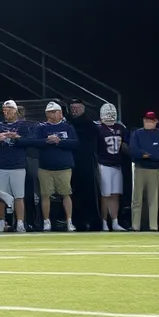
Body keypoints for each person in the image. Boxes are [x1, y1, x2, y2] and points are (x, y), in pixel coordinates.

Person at [19, 101, 79, 232]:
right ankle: (46, 221)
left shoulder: (67, 127)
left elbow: (75, 143)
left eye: (54, 112)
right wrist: (47, 141)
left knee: (66, 193)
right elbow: (34, 142)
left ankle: (69, 221)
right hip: (45, 167)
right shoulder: (41, 127)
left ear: (60, 113)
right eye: (49, 112)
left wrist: (59, 141)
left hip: (64, 166)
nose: (52, 114)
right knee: (45, 195)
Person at [0, 99, 30, 232]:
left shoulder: (23, 126)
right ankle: (0, 221)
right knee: (0, 196)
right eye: (4, 110)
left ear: (15, 110)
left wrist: (16, 137)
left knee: (19, 196)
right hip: (1, 165)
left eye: (9, 109)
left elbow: (28, 142)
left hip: (18, 165)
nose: (6, 112)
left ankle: (20, 223)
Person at [65, 97, 101, 231]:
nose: (74, 110)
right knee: (74, 192)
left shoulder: (89, 124)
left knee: (89, 191)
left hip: (86, 161)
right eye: (72, 108)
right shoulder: (68, 123)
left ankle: (93, 222)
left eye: (77, 108)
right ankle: (77, 221)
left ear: (82, 108)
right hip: (72, 162)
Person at [94, 103, 130, 231]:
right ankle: (104, 222)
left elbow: (126, 145)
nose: (109, 115)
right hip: (104, 164)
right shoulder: (98, 128)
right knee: (105, 194)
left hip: (117, 164)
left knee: (115, 194)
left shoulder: (120, 128)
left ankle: (115, 222)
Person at [129, 111, 159, 232]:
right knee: (137, 198)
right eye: (146, 120)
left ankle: (153, 226)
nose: (147, 123)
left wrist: (148, 155)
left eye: (150, 121)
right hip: (140, 168)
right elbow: (134, 150)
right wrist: (145, 154)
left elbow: (157, 153)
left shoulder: (158, 134)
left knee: (154, 199)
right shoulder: (137, 133)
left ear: (155, 122)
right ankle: (135, 225)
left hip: (155, 170)